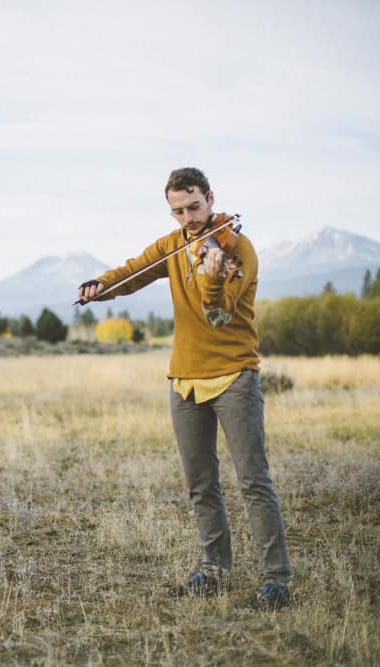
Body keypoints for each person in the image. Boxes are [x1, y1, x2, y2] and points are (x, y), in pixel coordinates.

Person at [76, 167, 292, 610]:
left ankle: (276, 580)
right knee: (201, 484)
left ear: (210, 198)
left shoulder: (238, 250)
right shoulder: (174, 245)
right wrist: (103, 287)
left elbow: (220, 315)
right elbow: (135, 271)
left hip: (234, 375)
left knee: (253, 481)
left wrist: (213, 277)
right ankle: (215, 572)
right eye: (178, 211)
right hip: (186, 381)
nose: (188, 218)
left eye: (194, 206)